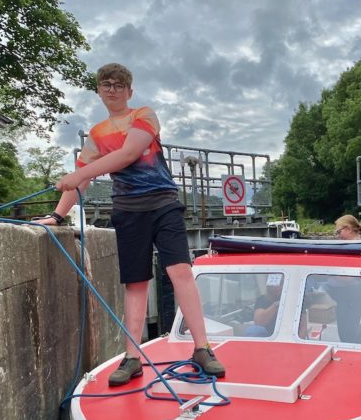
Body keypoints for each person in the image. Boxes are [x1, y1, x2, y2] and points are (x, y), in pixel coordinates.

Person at [34, 63, 225, 384]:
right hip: (127, 211)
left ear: (129, 91)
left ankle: (202, 348)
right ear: (99, 90)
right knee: (135, 284)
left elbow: (127, 154)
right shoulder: (95, 136)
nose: (112, 89)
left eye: (119, 85)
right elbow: (78, 185)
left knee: (180, 271)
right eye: (106, 84)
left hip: (163, 204)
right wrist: (56, 215)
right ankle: (132, 356)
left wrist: (81, 172)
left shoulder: (144, 115)